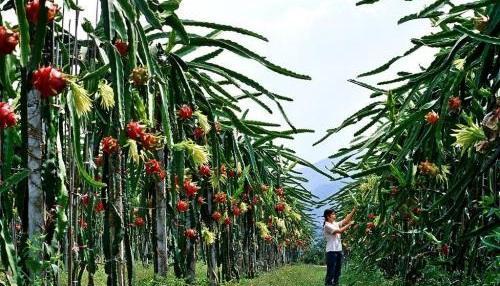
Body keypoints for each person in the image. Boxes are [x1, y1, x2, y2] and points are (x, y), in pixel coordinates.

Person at [323, 208, 355, 286]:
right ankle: (328, 284)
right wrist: (349, 224)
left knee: (337, 270)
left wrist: (354, 210)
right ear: (328, 216)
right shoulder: (327, 225)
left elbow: (345, 220)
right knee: (331, 270)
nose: (335, 215)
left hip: (338, 250)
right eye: (333, 214)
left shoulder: (334, 223)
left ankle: (336, 283)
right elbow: (339, 231)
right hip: (331, 251)